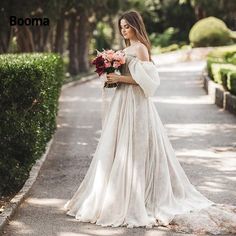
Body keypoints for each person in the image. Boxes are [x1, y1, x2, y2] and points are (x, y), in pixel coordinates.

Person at [64, 10, 236, 233]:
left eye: (127, 26)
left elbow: (149, 82)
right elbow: (124, 78)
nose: (124, 30)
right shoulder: (124, 50)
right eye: (121, 27)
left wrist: (120, 77)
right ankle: (114, 195)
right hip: (122, 103)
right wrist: (110, 76)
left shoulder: (141, 49)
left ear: (136, 26)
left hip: (137, 105)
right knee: (119, 148)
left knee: (138, 147)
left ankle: (141, 196)